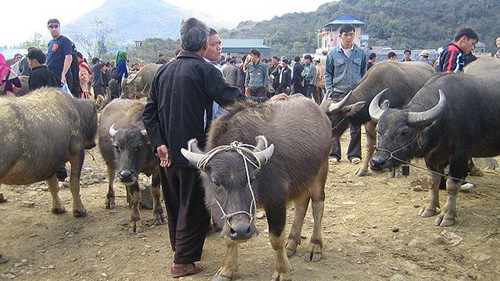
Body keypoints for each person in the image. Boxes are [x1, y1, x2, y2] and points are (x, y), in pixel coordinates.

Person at [142, 17, 246, 279]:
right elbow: (231, 98)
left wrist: (159, 144)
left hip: (166, 154)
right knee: (195, 206)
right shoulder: (205, 70)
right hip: (195, 154)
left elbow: (149, 112)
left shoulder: (163, 71)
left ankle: (180, 250)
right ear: (202, 45)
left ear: (181, 42)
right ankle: (182, 262)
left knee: (175, 202)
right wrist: (264, 105)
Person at [325, 23, 367, 164]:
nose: (349, 38)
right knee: (335, 123)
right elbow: (328, 74)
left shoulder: (360, 53)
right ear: (340, 36)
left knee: (355, 124)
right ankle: (334, 154)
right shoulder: (332, 54)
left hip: (355, 93)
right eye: (346, 35)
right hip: (337, 92)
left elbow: (364, 73)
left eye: (351, 34)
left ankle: (354, 154)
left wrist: (361, 90)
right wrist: (330, 92)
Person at [46, 19, 73, 91]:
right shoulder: (50, 43)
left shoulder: (65, 40)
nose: (54, 29)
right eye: (51, 27)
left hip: (62, 77)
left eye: (56, 26)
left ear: (59, 27)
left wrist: (63, 74)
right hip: (52, 76)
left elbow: (69, 58)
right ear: (48, 28)